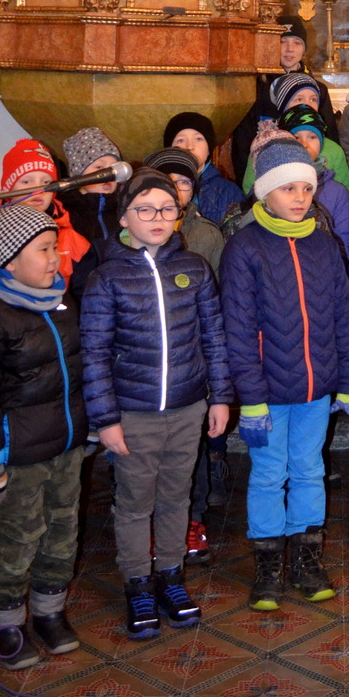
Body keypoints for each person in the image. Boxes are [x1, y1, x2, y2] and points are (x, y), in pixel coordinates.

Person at [80, 170, 231, 640]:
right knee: (133, 503)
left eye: (167, 208)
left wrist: (220, 397)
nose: (157, 218)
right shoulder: (107, 277)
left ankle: (170, 575)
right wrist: (106, 418)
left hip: (187, 407)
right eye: (144, 209)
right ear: (125, 217)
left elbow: (214, 338)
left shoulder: (194, 269)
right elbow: (94, 352)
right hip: (133, 413)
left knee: (176, 496)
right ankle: (138, 584)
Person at [219, 140, 349, 609]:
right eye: (288, 189)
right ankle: (267, 563)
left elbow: (342, 317)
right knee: (267, 474)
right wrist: (250, 397)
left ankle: (306, 558)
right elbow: (239, 329)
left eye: (306, 188)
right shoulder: (244, 248)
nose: (300, 197)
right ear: (265, 192)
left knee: (308, 470)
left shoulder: (324, 245)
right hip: (266, 391)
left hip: (315, 388)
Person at [0, 204, 89, 669]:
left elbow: (76, 373)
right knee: (17, 536)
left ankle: (49, 611)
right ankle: (6, 621)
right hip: (19, 456)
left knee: (62, 531)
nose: (55, 258)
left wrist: (87, 424)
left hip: (64, 446)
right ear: (10, 260)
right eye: (44, 250)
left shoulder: (61, 303)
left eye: (56, 248)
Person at [0, 139, 92, 406]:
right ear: (8, 187)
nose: (37, 189)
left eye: (46, 181)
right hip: (1, 376)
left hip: (59, 371)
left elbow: (89, 313)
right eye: (26, 181)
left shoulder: (77, 243)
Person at [143, 145, 227, 570]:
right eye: (168, 182)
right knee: (149, 457)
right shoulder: (132, 243)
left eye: (184, 183)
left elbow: (218, 307)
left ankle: (192, 519)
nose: (177, 190)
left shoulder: (207, 236)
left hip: (193, 360)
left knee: (189, 450)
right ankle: (151, 527)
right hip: (147, 367)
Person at [231, 15, 337, 185]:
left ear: (304, 49)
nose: (290, 49)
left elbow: (330, 136)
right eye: (283, 42)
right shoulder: (257, 88)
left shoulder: (318, 90)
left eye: (297, 43)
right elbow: (242, 143)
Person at [277, 105, 349, 252]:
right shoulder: (272, 187)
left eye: (312, 137)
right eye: (296, 137)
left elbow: (344, 242)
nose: (304, 144)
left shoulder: (337, 193)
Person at [144, 147, 224, 273]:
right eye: (167, 179)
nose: (175, 188)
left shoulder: (208, 234)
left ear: (191, 192)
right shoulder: (134, 229)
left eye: (184, 182)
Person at [161, 112, 238, 227]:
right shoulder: (158, 187)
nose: (189, 146)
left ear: (209, 149)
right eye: (180, 140)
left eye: (198, 139)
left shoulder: (228, 191)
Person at [58, 127, 127, 243]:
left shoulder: (123, 208)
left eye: (114, 169)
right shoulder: (65, 214)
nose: (109, 175)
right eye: (99, 168)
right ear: (79, 175)